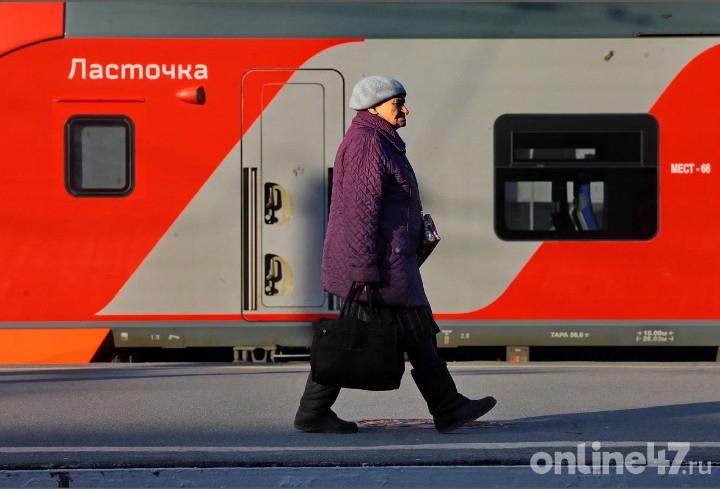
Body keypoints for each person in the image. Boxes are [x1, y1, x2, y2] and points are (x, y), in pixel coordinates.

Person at [293, 75, 496, 434]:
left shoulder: (380, 141)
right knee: (363, 335)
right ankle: (314, 411)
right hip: (380, 265)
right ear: (373, 107)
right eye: (397, 103)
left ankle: (446, 405)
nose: (405, 109)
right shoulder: (368, 143)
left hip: (390, 261)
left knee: (410, 332)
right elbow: (361, 210)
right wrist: (363, 268)